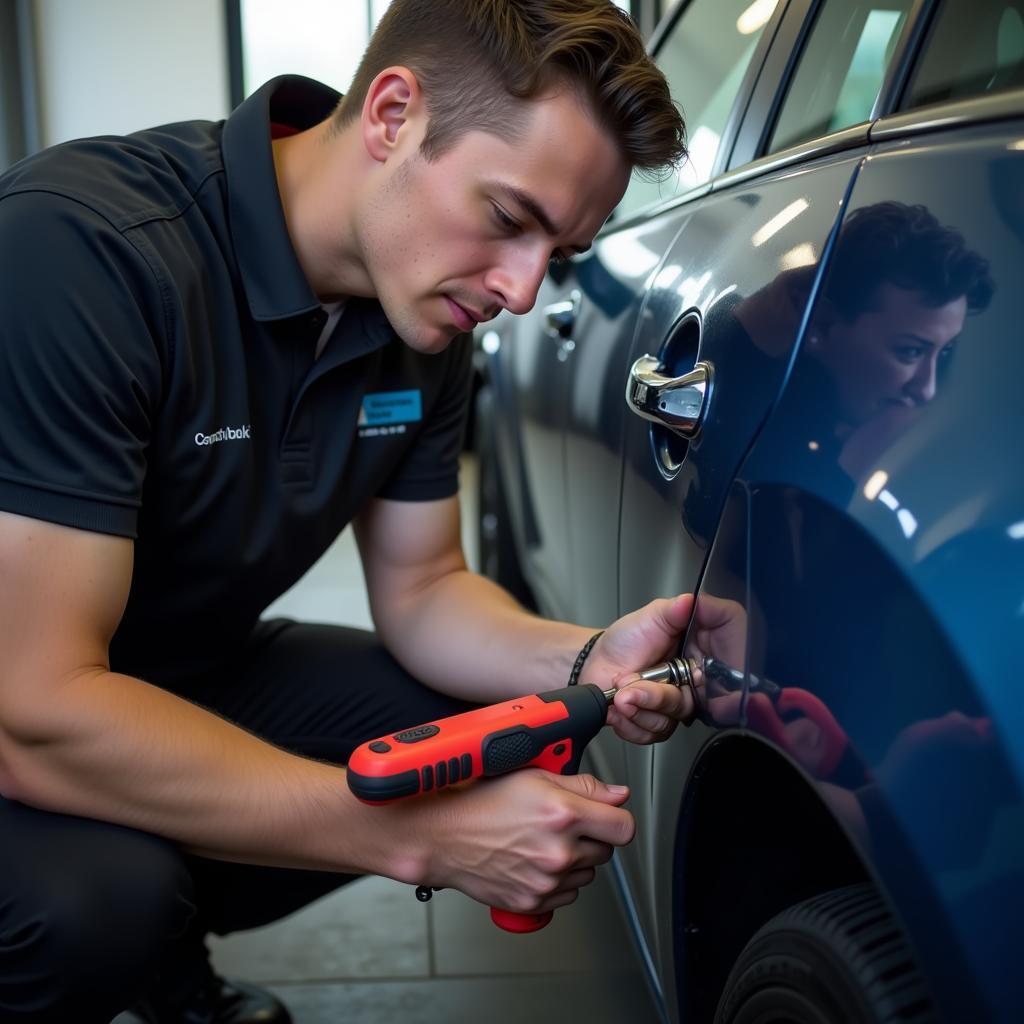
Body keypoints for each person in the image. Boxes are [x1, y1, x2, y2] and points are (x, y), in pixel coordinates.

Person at [0, 2, 704, 1022]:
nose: (517, 290)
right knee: (94, 905)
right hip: (25, 697)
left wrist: (582, 658)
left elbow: (423, 591)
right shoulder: (84, 253)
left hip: (164, 671)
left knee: (492, 730)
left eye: (556, 252)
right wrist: (414, 835)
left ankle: (161, 942)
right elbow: (35, 710)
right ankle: (136, 932)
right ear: (390, 115)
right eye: (509, 219)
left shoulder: (423, 314)